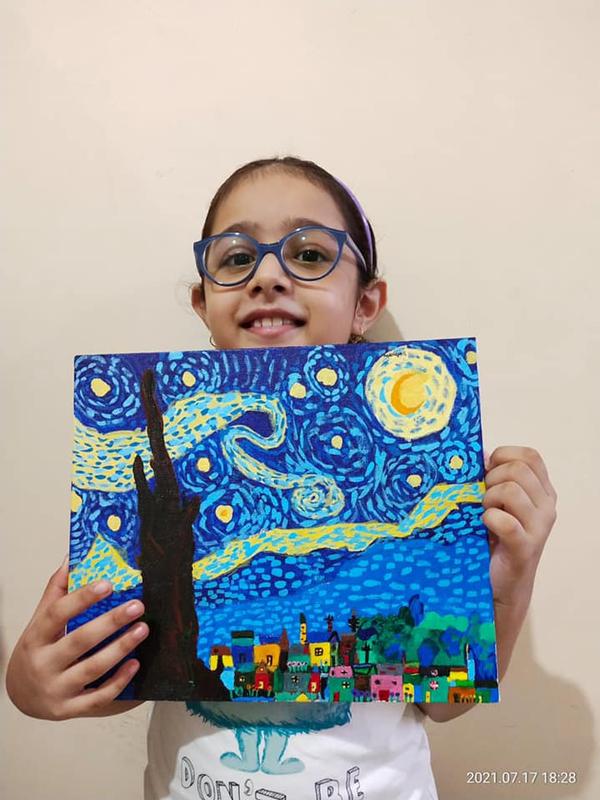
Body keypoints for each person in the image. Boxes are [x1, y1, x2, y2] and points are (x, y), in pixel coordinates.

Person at [6, 156, 558, 799]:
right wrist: (31, 685)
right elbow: (129, 673)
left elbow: (445, 702)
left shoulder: (440, 479)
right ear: (203, 303)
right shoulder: (145, 488)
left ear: (366, 304)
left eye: (310, 254)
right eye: (237, 258)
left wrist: (511, 580)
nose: (268, 275)